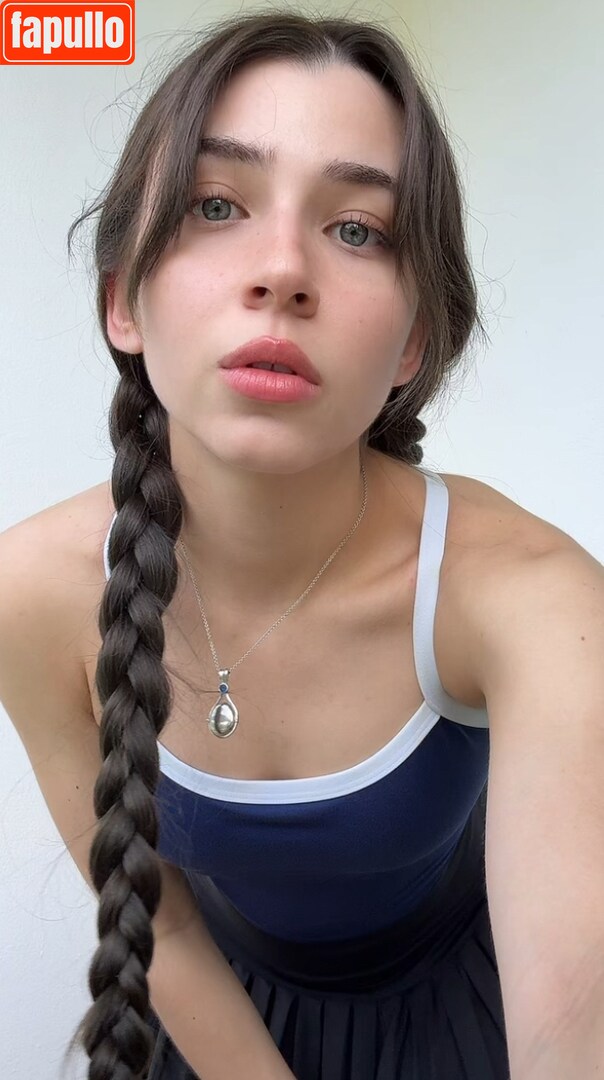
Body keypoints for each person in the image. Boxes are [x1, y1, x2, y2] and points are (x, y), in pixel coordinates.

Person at [1, 7, 602, 1080]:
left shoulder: (534, 596)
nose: (282, 268)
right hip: (217, 1023)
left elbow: (570, 1027)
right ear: (122, 303)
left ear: (414, 341)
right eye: (216, 205)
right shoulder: (30, 591)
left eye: (357, 228)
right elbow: (156, 918)